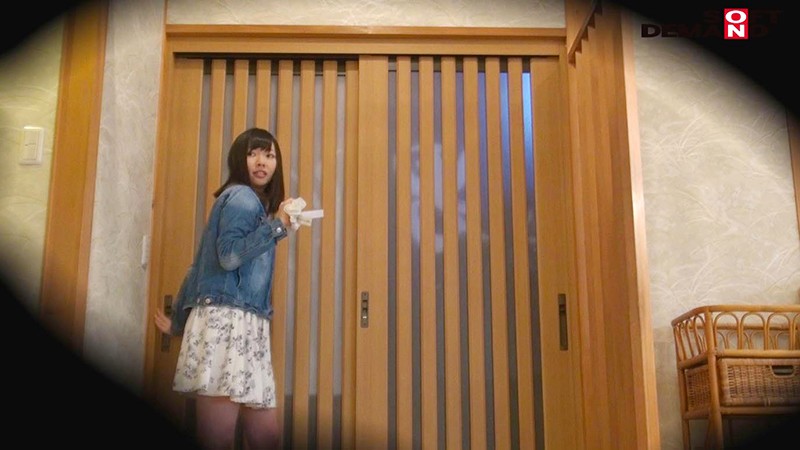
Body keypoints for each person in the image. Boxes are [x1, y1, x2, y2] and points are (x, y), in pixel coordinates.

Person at [154, 127, 293, 450]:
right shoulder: (242, 198)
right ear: (239, 159)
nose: (261, 162)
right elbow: (228, 258)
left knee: (265, 436)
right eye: (253, 153)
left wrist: (178, 323)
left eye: (269, 155)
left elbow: (200, 268)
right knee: (224, 437)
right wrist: (278, 227)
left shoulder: (251, 204)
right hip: (228, 322)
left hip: (243, 322)